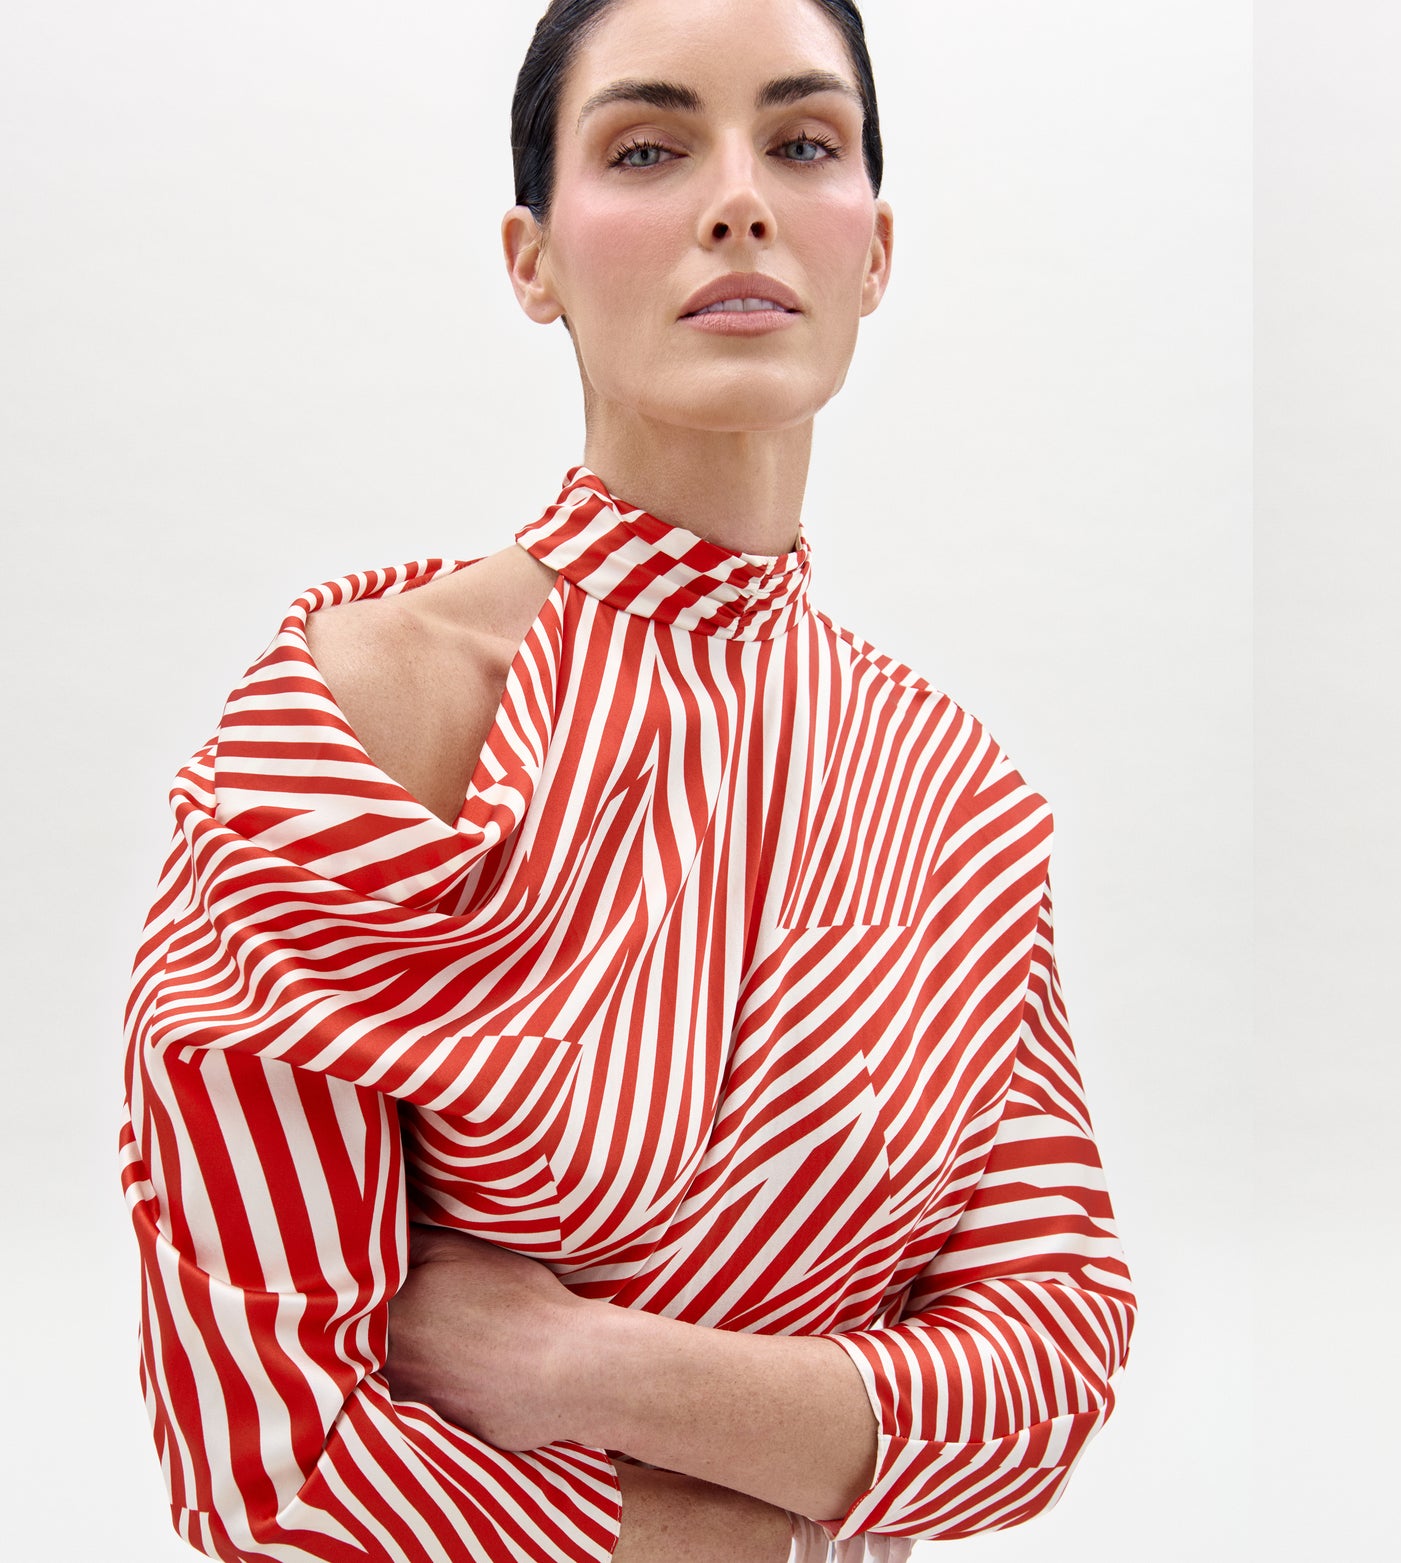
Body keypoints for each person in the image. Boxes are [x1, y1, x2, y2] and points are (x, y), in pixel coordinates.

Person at [115, 3, 1134, 1560]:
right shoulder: (363, 721)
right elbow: (268, 1469)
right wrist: (801, 1484)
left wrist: (585, 1367)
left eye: (803, 143)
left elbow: (1049, 1380)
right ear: (532, 258)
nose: (740, 199)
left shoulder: (958, 801)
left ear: (874, 249)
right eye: (648, 148)